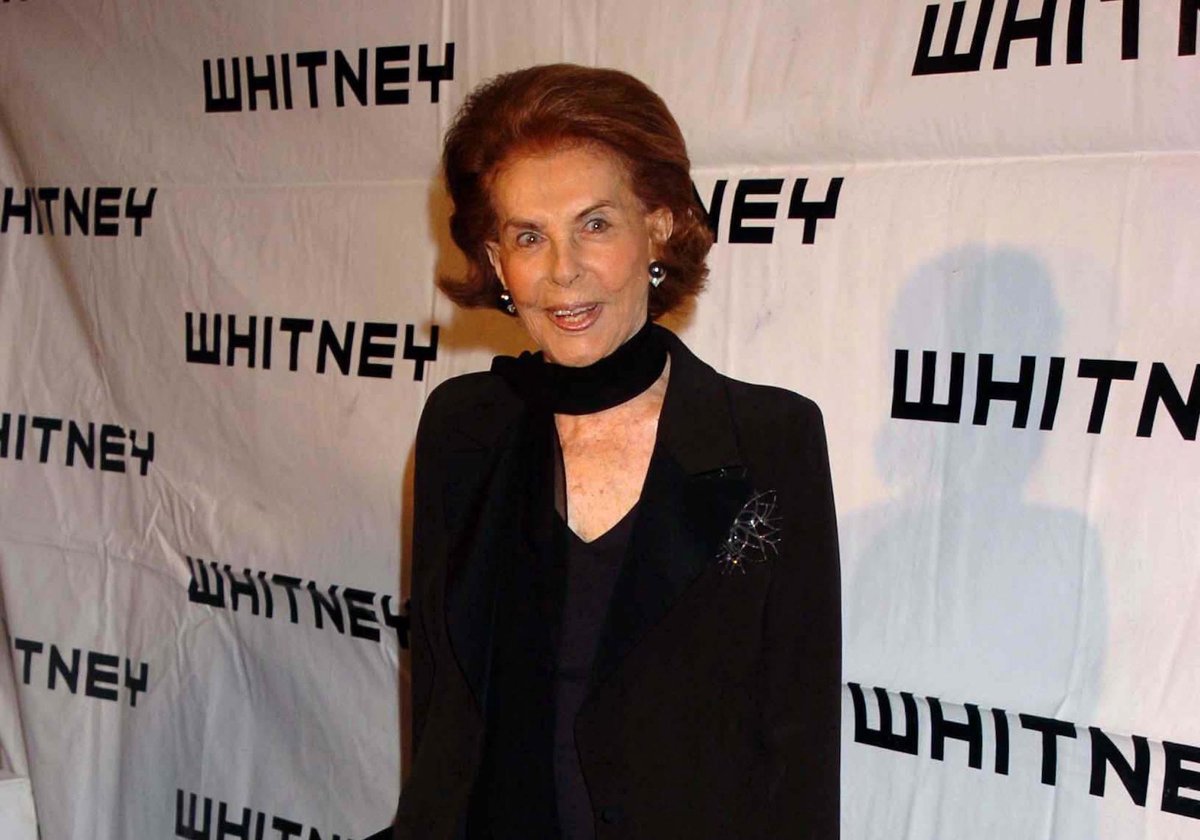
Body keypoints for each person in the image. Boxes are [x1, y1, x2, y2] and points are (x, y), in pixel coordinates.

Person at [393, 64, 840, 840]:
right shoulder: (461, 430)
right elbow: (438, 713)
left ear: (659, 225)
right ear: (498, 264)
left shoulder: (769, 438)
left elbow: (797, 744)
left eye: (594, 224)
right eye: (529, 236)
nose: (563, 270)